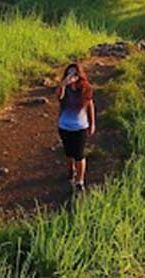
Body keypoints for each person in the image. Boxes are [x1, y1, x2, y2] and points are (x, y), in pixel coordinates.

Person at [56, 62, 95, 192]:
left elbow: (90, 106)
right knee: (69, 153)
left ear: (79, 75)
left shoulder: (86, 88)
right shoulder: (64, 89)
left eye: (74, 73)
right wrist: (64, 83)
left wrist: (92, 123)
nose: (72, 76)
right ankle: (71, 169)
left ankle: (80, 181)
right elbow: (58, 96)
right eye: (69, 73)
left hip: (80, 127)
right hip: (64, 126)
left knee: (79, 154)